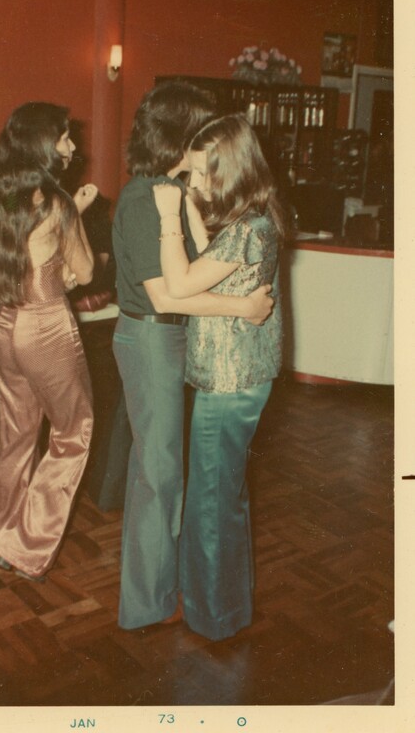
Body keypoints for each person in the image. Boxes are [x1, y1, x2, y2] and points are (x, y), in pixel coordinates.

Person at [111, 82, 275, 630]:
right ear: (177, 136)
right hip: (153, 336)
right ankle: (148, 605)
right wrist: (243, 307)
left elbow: (205, 259)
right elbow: (166, 295)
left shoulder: (175, 191)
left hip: (178, 337)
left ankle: (171, 589)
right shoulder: (144, 198)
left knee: (171, 473)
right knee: (160, 475)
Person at [153, 114, 285, 640]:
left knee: (211, 502)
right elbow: (218, 257)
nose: (197, 182)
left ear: (231, 170)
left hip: (228, 383)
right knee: (227, 496)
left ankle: (213, 618)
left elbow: (179, 283)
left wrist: (169, 216)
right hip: (243, 379)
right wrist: (190, 203)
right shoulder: (255, 219)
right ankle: (229, 606)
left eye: (204, 173)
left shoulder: (248, 229)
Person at [0, 101, 96, 582]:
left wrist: (62, 248)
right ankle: (28, 547)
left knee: (16, 436)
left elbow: (27, 250)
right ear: (43, 145)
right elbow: (85, 271)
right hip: (46, 328)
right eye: (64, 137)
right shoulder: (58, 203)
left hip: (7, 327)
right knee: (74, 432)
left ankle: (2, 538)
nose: (71, 145)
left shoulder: (1, 197)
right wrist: (75, 219)